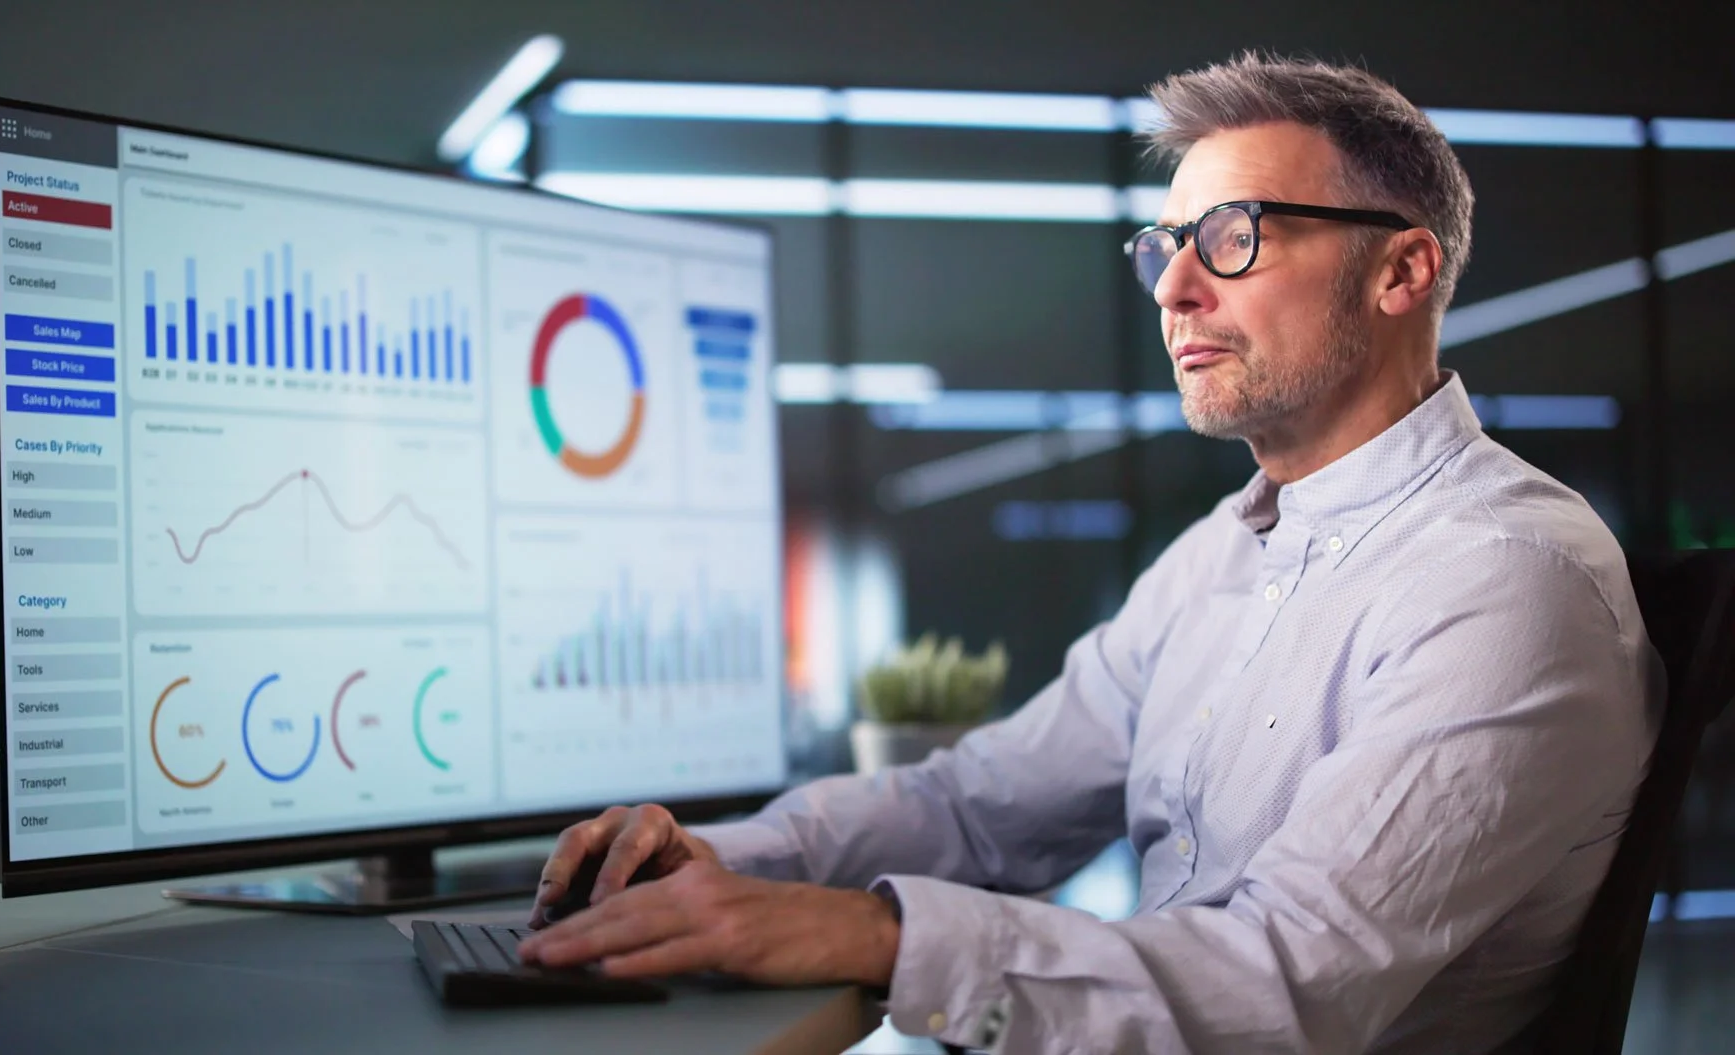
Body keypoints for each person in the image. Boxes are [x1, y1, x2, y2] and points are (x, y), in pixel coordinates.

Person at [517, 52, 1661, 1055]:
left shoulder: (1504, 578)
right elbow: (977, 806)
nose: (1171, 287)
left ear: (1399, 272)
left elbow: (1286, 986)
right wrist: (704, 859)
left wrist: (873, 931)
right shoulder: (1221, 553)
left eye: (1232, 236)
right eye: (1165, 244)